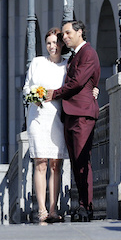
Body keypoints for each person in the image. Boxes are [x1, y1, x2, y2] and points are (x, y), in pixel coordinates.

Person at [48, 20, 101, 222]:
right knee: (77, 162)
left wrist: (55, 94)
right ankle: (82, 206)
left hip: (82, 114)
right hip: (71, 114)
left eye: (68, 33)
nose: (65, 37)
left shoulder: (88, 53)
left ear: (80, 32)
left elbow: (77, 82)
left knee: (82, 161)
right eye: (63, 34)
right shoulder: (75, 56)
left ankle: (86, 207)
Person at [22, 28, 68, 223]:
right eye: (48, 43)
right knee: (40, 162)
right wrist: (32, 96)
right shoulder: (37, 63)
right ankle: (41, 209)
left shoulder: (67, 65)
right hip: (38, 117)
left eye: (55, 42)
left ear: (62, 44)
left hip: (58, 118)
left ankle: (53, 209)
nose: (52, 46)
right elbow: (26, 87)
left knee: (56, 164)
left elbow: (74, 86)